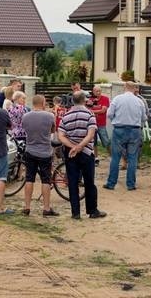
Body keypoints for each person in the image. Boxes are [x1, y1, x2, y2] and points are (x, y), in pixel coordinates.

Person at [58, 91, 107, 220]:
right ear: (84, 100)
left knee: (73, 182)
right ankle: (92, 210)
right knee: (89, 182)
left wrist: (73, 146)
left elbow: (61, 135)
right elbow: (91, 134)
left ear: (72, 101)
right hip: (86, 152)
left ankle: (75, 212)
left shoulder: (66, 116)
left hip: (70, 152)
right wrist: (80, 146)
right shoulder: (89, 115)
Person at [21, 95, 60, 217]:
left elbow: (25, 129)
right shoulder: (49, 116)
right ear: (43, 103)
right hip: (45, 151)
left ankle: (27, 207)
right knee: (46, 180)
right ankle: (46, 208)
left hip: (30, 150)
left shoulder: (26, 116)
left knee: (29, 178)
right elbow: (53, 130)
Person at [104, 81, 147, 191]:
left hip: (119, 129)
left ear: (124, 87)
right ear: (134, 89)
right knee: (132, 157)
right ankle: (131, 184)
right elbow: (144, 118)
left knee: (116, 157)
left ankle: (111, 183)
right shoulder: (139, 101)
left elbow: (109, 114)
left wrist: (115, 120)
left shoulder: (117, 99)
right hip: (134, 130)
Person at [88, 85, 110, 162]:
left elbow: (103, 110)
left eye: (99, 91)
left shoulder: (105, 99)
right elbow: (87, 109)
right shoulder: (90, 100)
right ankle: (96, 158)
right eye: (96, 91)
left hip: (101, 124)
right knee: (94, 142)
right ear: (93, 92)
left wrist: (92, 111)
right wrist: (94, 111)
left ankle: (112, 157)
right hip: (92, 124)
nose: (98, 93)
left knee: (106, 141)